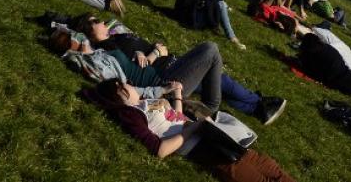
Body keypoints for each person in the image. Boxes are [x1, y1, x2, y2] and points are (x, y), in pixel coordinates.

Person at [77, 19, 285, 124]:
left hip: (167, 65)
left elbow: (151, 46)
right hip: (163, 81)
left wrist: (149, 51)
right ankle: (212, 107)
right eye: (96, 22)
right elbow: (77, 48)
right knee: (210, 50)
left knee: (217, 75)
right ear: (89, 33)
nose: (103, 22)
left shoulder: (118, 36)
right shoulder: (102, 51)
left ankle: (257, 108)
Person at [90, 78, 297, 182]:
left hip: (211, 134)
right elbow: (160, 150)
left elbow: (175, 117)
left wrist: (177, 94)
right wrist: (195, 127)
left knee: (272, 168)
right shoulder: (132, 114)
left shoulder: (147, 102)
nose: (130, 85)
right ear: (121, 96)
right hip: (204, 148)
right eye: (124, 86)